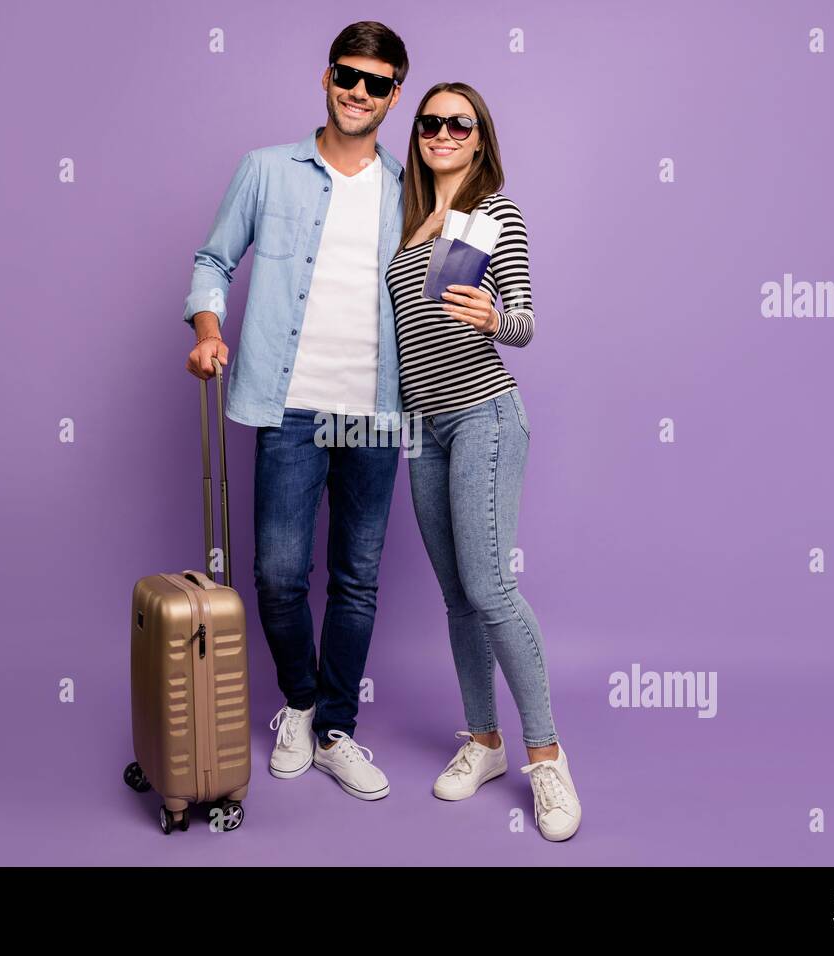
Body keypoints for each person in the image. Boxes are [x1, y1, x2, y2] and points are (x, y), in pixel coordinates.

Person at [182, 22, 409, 801]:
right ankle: (301, 707)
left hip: (375, 411)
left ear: (394, 95)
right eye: (348, 75)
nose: (358, 92)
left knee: (357, 578)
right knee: (279, 575)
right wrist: (208, 331)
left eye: (376, 83)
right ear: (326, 77)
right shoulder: (266, 170)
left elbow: (439, 289)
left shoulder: (410, 189)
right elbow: (213, 260)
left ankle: (337, 729)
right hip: (290, 405)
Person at [385, 82, 582, 840]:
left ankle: (547, 759)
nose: (442, 132)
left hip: (482, 414)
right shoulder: (406, 221)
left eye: (457, 123)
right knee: (458, 598)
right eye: (429, 122)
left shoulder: (495, 212)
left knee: (491, 587)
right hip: (421, 428)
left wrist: (496, 316)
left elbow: (526, 322)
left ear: (479, 137)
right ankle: (485, 741)